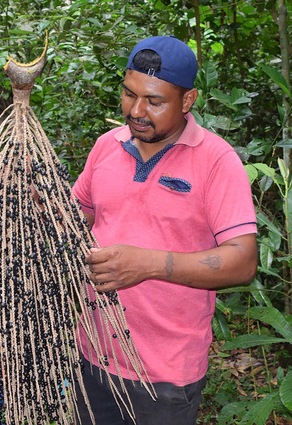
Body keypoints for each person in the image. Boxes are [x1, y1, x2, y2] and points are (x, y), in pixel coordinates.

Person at [72, 35, 257, 425]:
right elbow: (78, 218)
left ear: (187, 101)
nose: (136, 110)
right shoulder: (106, 147)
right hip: (92, 356)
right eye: (129, 94)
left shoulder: (216, 162)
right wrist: (41, 205)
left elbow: (242, 262)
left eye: (154, 101)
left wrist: (150, 264)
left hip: (165, 378)